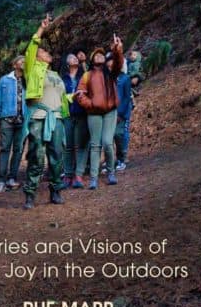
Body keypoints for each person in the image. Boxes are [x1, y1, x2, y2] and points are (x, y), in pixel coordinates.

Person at [20, 16, 68, 209]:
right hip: (38, 118)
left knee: (57, 155)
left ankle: (56, 191)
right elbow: (31, 48)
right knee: (36, 156)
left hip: (56, 118)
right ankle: (30, 194)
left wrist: (75, 97)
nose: (47, 53)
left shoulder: (55, 75)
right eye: (43, 51)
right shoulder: (32, 69)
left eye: (46, 52)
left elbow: (61, 98)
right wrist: (41, 29)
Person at [77, 36, 124, 188]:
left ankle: (110, 173)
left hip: (110, 111)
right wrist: (90, 104)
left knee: (107, 143)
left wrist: (117, 49)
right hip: (94, 113)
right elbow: (80, 94)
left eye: (102, 54)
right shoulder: (87, 75)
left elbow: (119, 63)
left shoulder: (110, 73)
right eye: (96, 55)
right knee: (95, 145)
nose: (99, 56)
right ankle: (93, 178)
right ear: (92, 60)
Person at [0, 55, 26, 193]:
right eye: (21, 61)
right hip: (7, 120)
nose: (23, 63)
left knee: (18, 149)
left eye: (25, 61)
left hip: (23, 121)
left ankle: (12, 178)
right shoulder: (5, 80)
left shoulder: (28, 80)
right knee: (5, 148)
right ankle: (1, 180)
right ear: (14, 64)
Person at [61, 54, 87, 189]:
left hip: (82, 113)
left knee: (81, 145)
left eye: (75, 58)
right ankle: (68, 174)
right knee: (68, 146)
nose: (75, 58)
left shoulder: (85, 76)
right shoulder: (62, 79)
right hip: (67, 114)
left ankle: (79, 175)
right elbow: (59, 96)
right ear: (67, 63)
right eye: (71, 58)